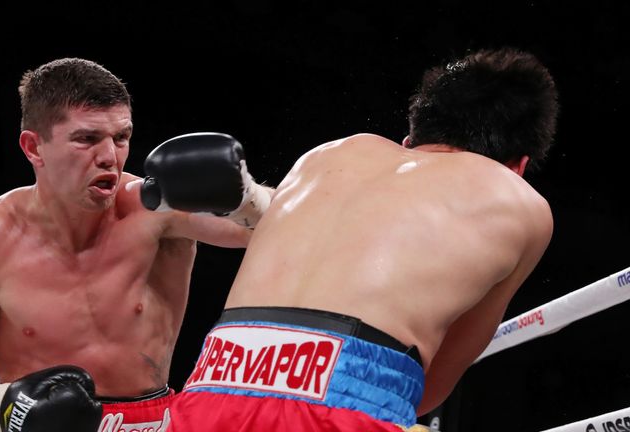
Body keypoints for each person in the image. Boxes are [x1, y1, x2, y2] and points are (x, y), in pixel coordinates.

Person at [168, 47, 559, 431]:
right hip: (346, 401)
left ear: (411, 138)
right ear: (518, 167)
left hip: (212, 385)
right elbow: (430, 388)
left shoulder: (328, 153)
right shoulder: (521, 202)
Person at [0, 58, 273, 432]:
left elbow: (274, 230)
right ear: (33, 147)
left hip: (156, 422)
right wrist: (6, 408)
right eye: (86, 139)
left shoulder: (156, 208)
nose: (110, 157)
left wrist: (247, 196)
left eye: (121, 137)